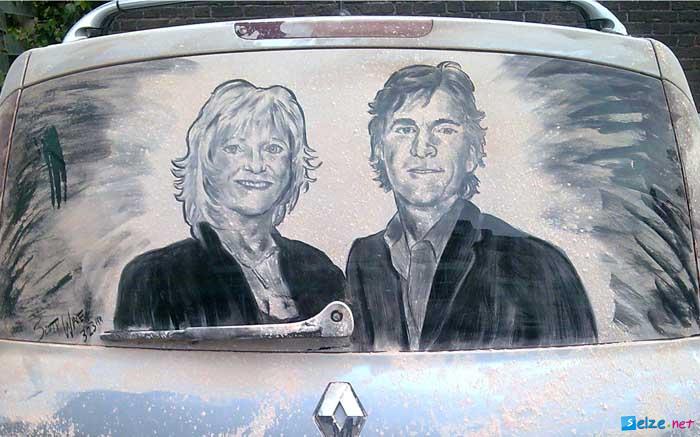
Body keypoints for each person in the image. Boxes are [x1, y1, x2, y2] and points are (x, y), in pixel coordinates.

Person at [346, 61, 598, 352]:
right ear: (378, 148)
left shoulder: (537, 265)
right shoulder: (365, 258)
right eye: (405, 128)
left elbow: (577, 373)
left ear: (472, 152)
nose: (422, 147)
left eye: (444, 129)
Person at [114, 79, 345, 330]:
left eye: (273, 148)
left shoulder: (320, 270)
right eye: (235, 148)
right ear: (207, 163)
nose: (256, 165)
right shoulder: (154, 277)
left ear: (292, 165)